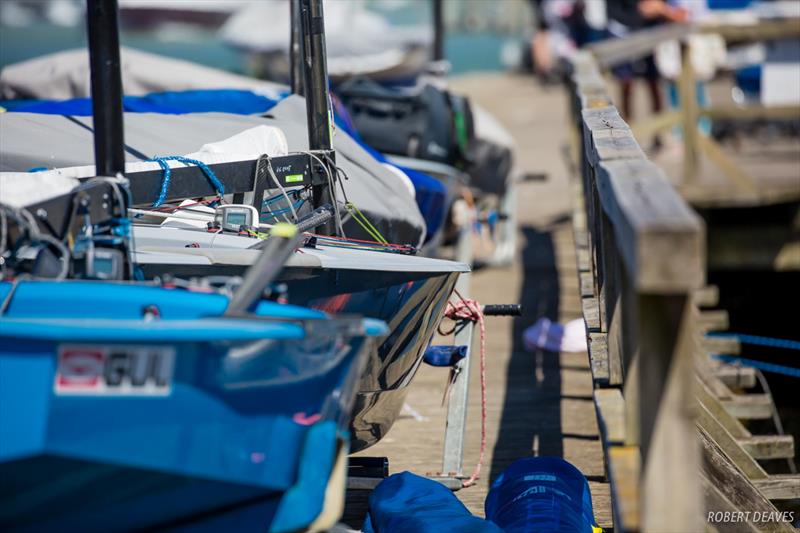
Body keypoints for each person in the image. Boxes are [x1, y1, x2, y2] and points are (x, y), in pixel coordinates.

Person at [606, 0, 689, 147]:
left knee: (654, 85)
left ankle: (659, 134)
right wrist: (640, 12)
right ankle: (628, 132)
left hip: (651, 34)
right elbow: (614, 11)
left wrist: (660, 9)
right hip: (624, 34)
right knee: (626, 84)